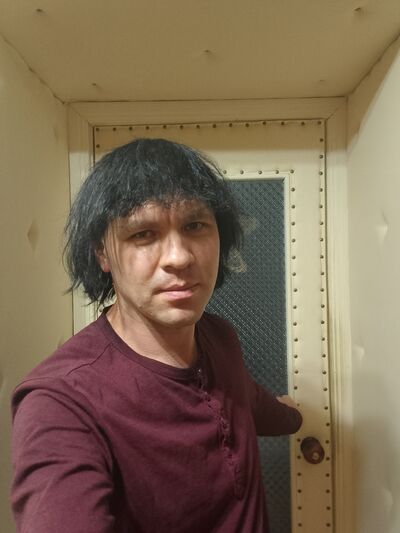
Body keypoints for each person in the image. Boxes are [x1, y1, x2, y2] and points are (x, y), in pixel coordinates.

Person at [10, 138, 302, 533]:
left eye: (195, 226)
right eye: (143, 234)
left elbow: (244, 399)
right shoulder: (61, 403)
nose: (179, 257)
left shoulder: (219, 336)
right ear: (102, 253)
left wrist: (294, 417)